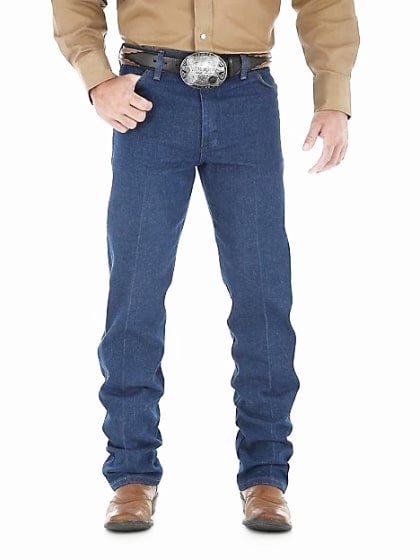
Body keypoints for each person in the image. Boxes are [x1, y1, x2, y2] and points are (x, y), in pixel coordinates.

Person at [51, 0, 360, 532]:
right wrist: (97, 77)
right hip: (147, 96)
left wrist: (333, 96)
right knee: (135, 292)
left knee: (263, 292)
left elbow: (325, 3)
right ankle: (131, 475)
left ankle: (266, 476)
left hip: (247, 98)